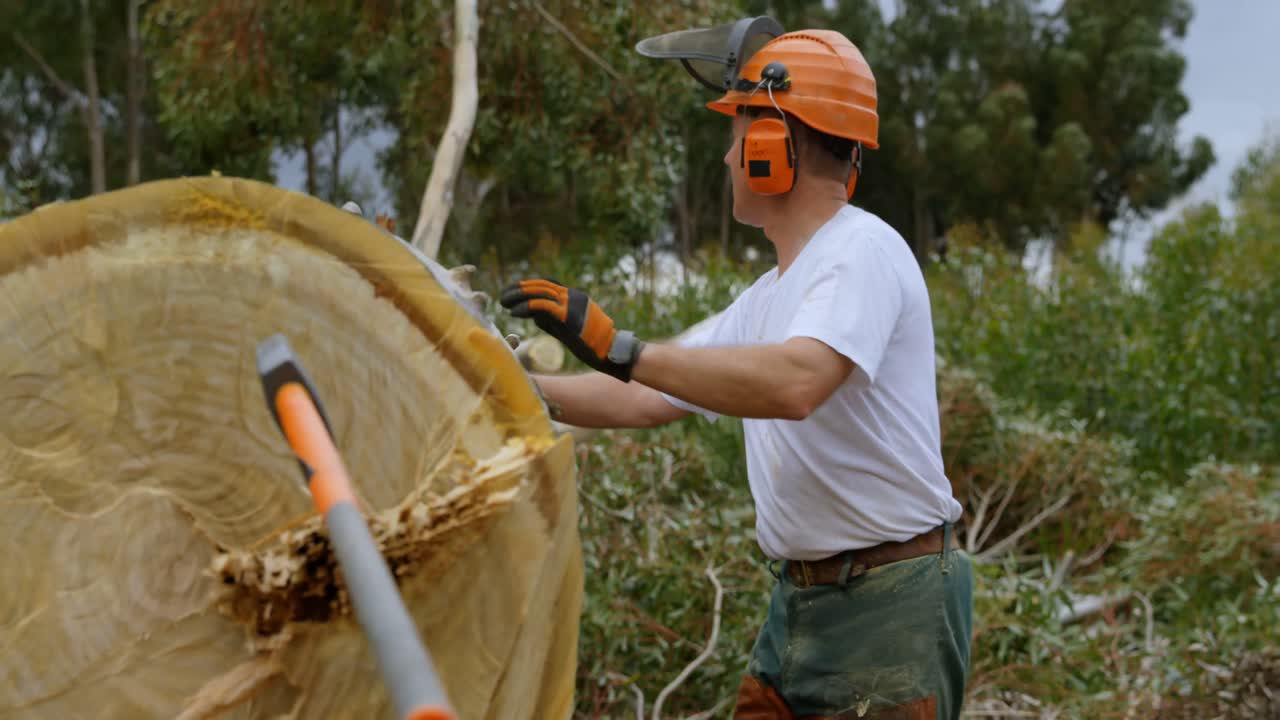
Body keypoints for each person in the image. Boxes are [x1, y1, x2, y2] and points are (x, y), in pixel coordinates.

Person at [499, 28, 972, 720]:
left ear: (773, 147)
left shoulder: (863, 250)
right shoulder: (770, 296)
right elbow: (651, 394)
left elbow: (796, 383)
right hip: (802, 602)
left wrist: (620, 346)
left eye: (739, 131)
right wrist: (511, 389)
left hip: (887, 605)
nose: (728, 154)